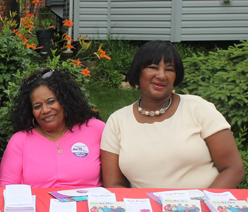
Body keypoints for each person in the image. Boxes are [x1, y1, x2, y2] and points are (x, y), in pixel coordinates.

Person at [101, 40, 244, 189]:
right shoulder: (117, 121)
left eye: (169, 69)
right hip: (145, 210)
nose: (162, 75)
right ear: (138, 72)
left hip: (204, 207)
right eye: (153, 67)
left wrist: (203, 206)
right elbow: (114, 184)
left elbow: (233, 169)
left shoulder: (198, 108)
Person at [0, 68, 104, 188]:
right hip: (37, 206)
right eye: (37, 106)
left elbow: (113, 181)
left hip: (88, 206)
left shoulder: (95, 129)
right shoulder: (20, 141)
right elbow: (6, 189)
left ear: (65, 101)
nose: (45, 110)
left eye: (51, 101)